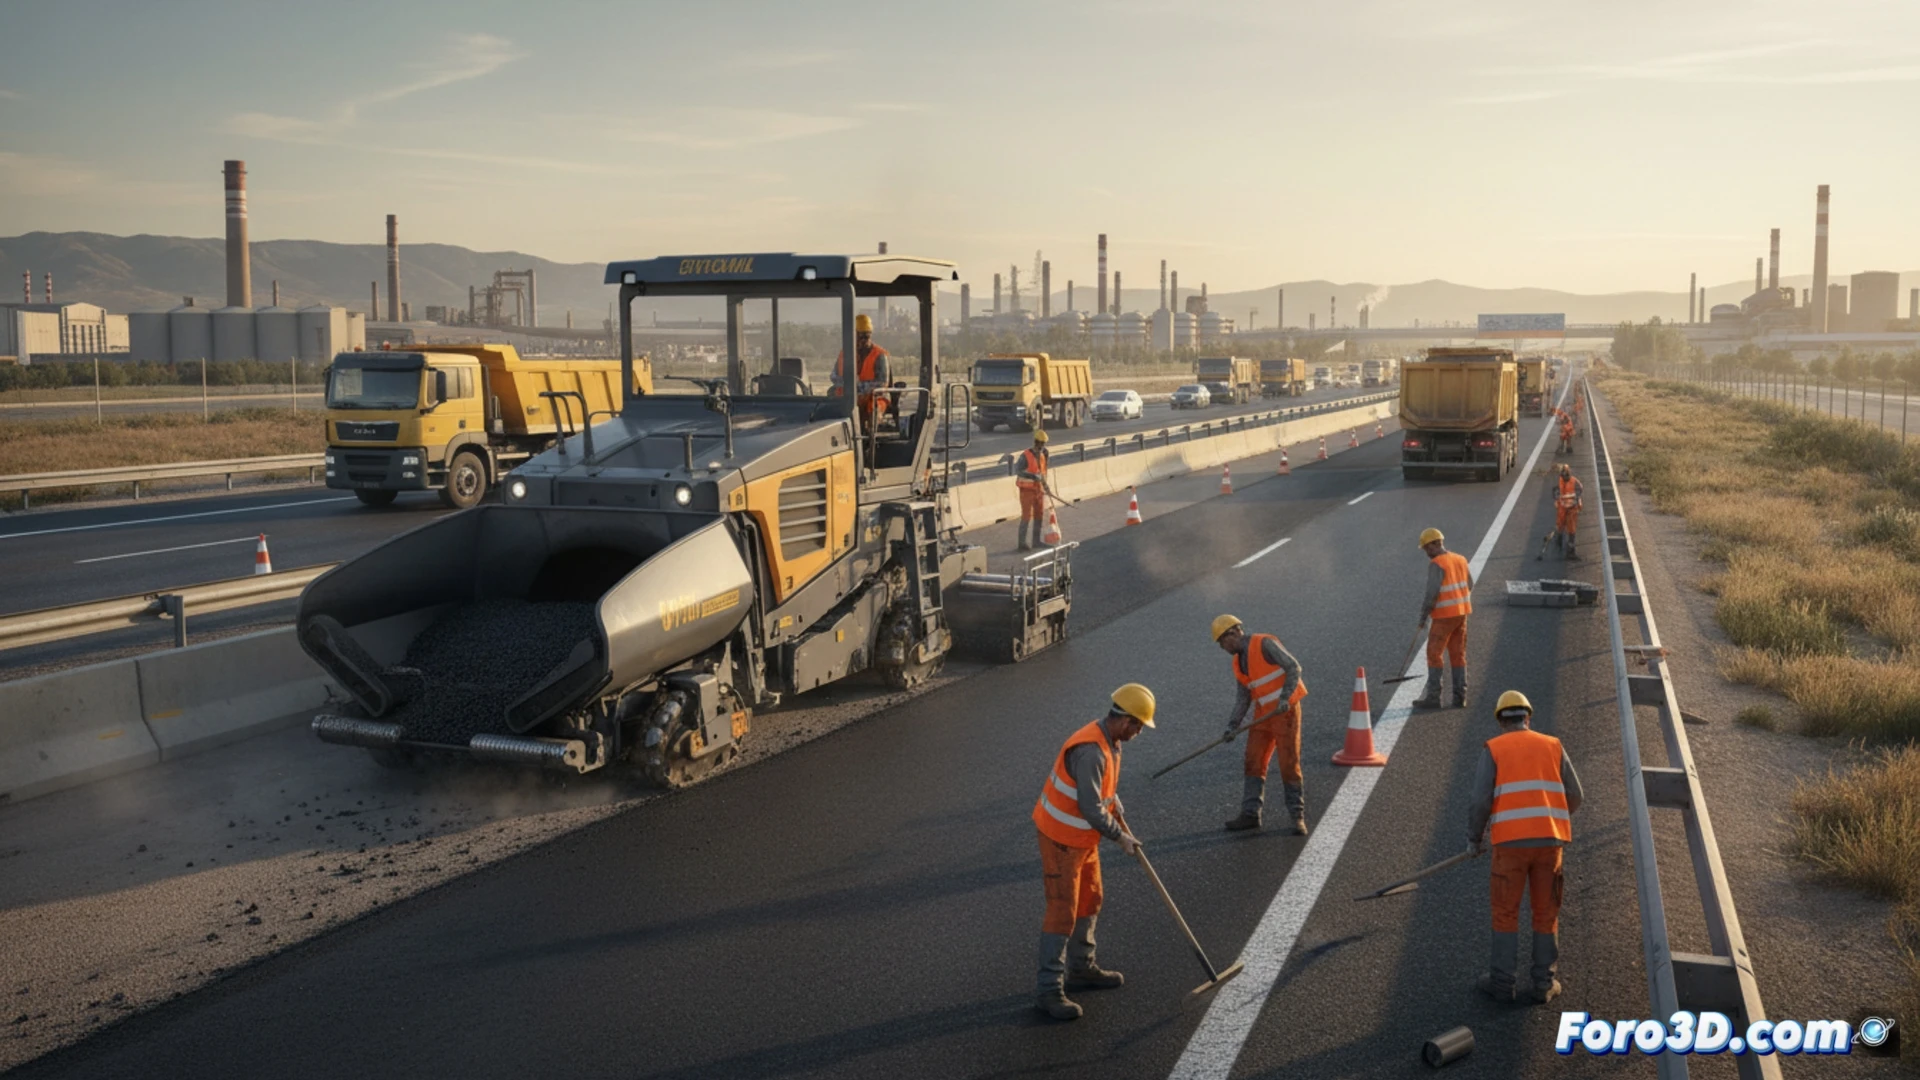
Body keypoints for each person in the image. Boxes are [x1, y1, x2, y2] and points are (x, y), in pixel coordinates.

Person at [1032, 683, 1155, 1022]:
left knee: (1091, 899)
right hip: (1060, 839)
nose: (1139, 732)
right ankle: (1048, 990)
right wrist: (1121, 838)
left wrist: (1114, 807)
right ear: (1125, 720)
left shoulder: (1111, 741)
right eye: (1138, 725)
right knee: (1062, 912)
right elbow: (1089, 807)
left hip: (1083, 840)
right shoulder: (1091, 751)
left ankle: (1082, 968)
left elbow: (1101, 796)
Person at [1466, 690, 1583, 1004]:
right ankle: (1544, 984)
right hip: (1551, 845)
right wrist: (1551, 818)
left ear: (1501, 721)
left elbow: (1480, 801)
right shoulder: (1553, 745)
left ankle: (1503, 984)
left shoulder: (1494, 748)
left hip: (1510, 847)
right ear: (1528, 717)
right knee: (1546, 913)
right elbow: (1576, 795)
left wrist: (1474, 840)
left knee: (1506, 913)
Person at [1211, 615, 1309, 835]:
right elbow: (1243, 698)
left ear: (1234, 633)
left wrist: (1285, 698)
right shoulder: (1238, 662)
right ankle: (1250, 813)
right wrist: (1232, 726)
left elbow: (1294, 667)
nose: (1222, 647)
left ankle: (1297, 816)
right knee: (1253, 761)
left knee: (1288, 763)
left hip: (1286, 713)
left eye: (1222, 641)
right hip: (1263, 714)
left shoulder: (1264, 644)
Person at [1414, 527, 1472, 710]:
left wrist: (1423, 617)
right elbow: (1469, 584)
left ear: (1433, 545)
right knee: (1458, 654)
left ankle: (1433, 697)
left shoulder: (1437, 563)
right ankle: (1459, 696)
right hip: (1461, 614)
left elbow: (1431, 593)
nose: (1426, 553)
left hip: (1444, 617)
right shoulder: (1460, 559)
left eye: (1426, 549)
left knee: (1434, 654)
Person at [831, 313, 891, 422]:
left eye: (866, 336)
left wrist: (858, 387)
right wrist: (847, 384)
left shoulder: (879, 355)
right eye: (860, 336)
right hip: (846, 397)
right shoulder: (844, 354)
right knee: (827, 409)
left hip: (873, 397)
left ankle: (870, 437)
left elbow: (882, 383)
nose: (863, 340)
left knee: (874, 411)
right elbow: (833, 376)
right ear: (853, 335)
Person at [1016, 429, 1051, 551]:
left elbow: (1042, 474)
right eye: (1040, 443)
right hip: (1026, 491)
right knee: (1026, 516)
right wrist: (1032, 476)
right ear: (1036, 442)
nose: (1042, 446)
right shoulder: (1025, 455)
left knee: (1038, 515)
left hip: (1038, 491)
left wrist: (1046, 486)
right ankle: (1021, 543)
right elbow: (1018, 471)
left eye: (1044, 443)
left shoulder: (1042, 455)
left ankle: (1036, 541)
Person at [1549, 463, 1584, 560]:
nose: (1565, 477)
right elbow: (1556, 494)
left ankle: (1570, 551)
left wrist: (1575, 503)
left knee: (1571, 530)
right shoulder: (1560, 482)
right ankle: (1559, 540)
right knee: (1560, 526)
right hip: (1563, 508)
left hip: (1572, 509)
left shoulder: (1574, 482)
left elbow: (1579, 494)